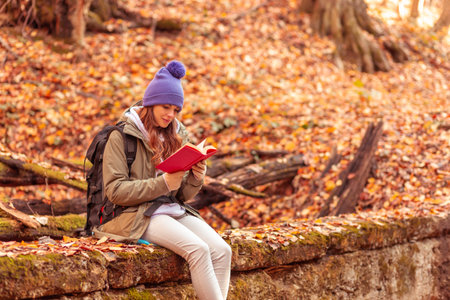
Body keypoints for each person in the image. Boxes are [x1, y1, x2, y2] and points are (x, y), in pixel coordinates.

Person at [93, 60, 232, 300]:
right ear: (151, 103)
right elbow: (115, 191)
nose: (171, 114)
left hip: (170, 208)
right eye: (166, 107)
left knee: (222, 250)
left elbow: (181, 196)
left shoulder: (175, 135)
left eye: (176, 110)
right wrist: (164, 183)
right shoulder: (120, 136)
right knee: (198, 250)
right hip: (133, 214)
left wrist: (196, 177)